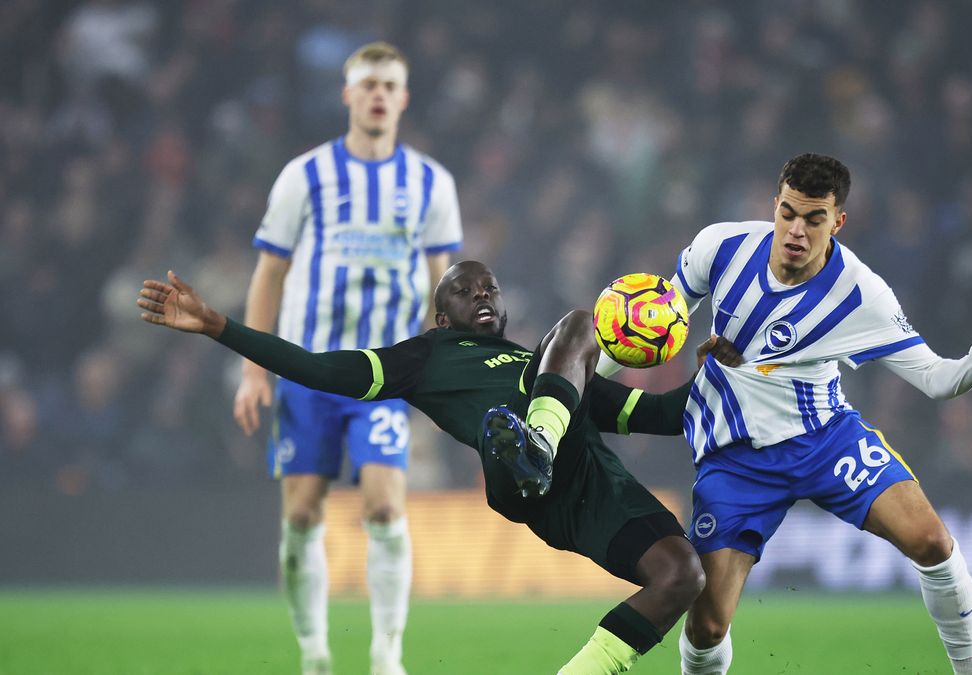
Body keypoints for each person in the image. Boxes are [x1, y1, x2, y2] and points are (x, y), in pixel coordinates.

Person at [138, 261, 707, 675]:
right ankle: (529, 444)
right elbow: (318, 368)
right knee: (581, 322)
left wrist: (723, 372)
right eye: (464, 290)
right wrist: (220, 328)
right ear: (442, 315)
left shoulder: (551, 369)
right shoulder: (429, 355)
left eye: (490, 286)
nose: (481, 293)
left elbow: (658, 414)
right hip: (521, 480)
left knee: (684, 576)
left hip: (598, 488)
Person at [661, 154, 972, 675]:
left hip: (826, 440)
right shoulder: (721, 247)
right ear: (775, 205)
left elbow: (935, 378)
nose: (796, 230)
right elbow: (654, 321)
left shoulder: (861, 294)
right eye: (788, 213)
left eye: (814, 219)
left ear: (838, 221)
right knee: (707, 625)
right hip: (736, 459)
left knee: (933, 542)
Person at [232, 42, 462, 675]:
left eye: (390, 84)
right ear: (348, 95)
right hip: (307, 371)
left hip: (382, 376)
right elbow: (268, 274)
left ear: (404, 97)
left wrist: (440, 367)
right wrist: (254, 369)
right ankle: (314, 654)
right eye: (369, 85)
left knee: (386, 507)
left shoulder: (430, 184)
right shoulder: (303, 175)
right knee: (303, 516)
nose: (379, 95)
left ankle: (386, 655)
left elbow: (445, 285)